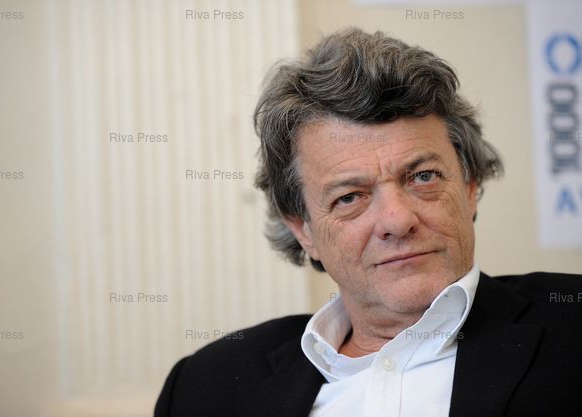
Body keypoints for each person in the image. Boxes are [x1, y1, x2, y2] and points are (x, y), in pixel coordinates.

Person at [154, 28, 582, 417]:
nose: (397, 220)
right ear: (304, 230)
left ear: (470, 185)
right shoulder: (206, 386)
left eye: (423, 177)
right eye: (349, 197)